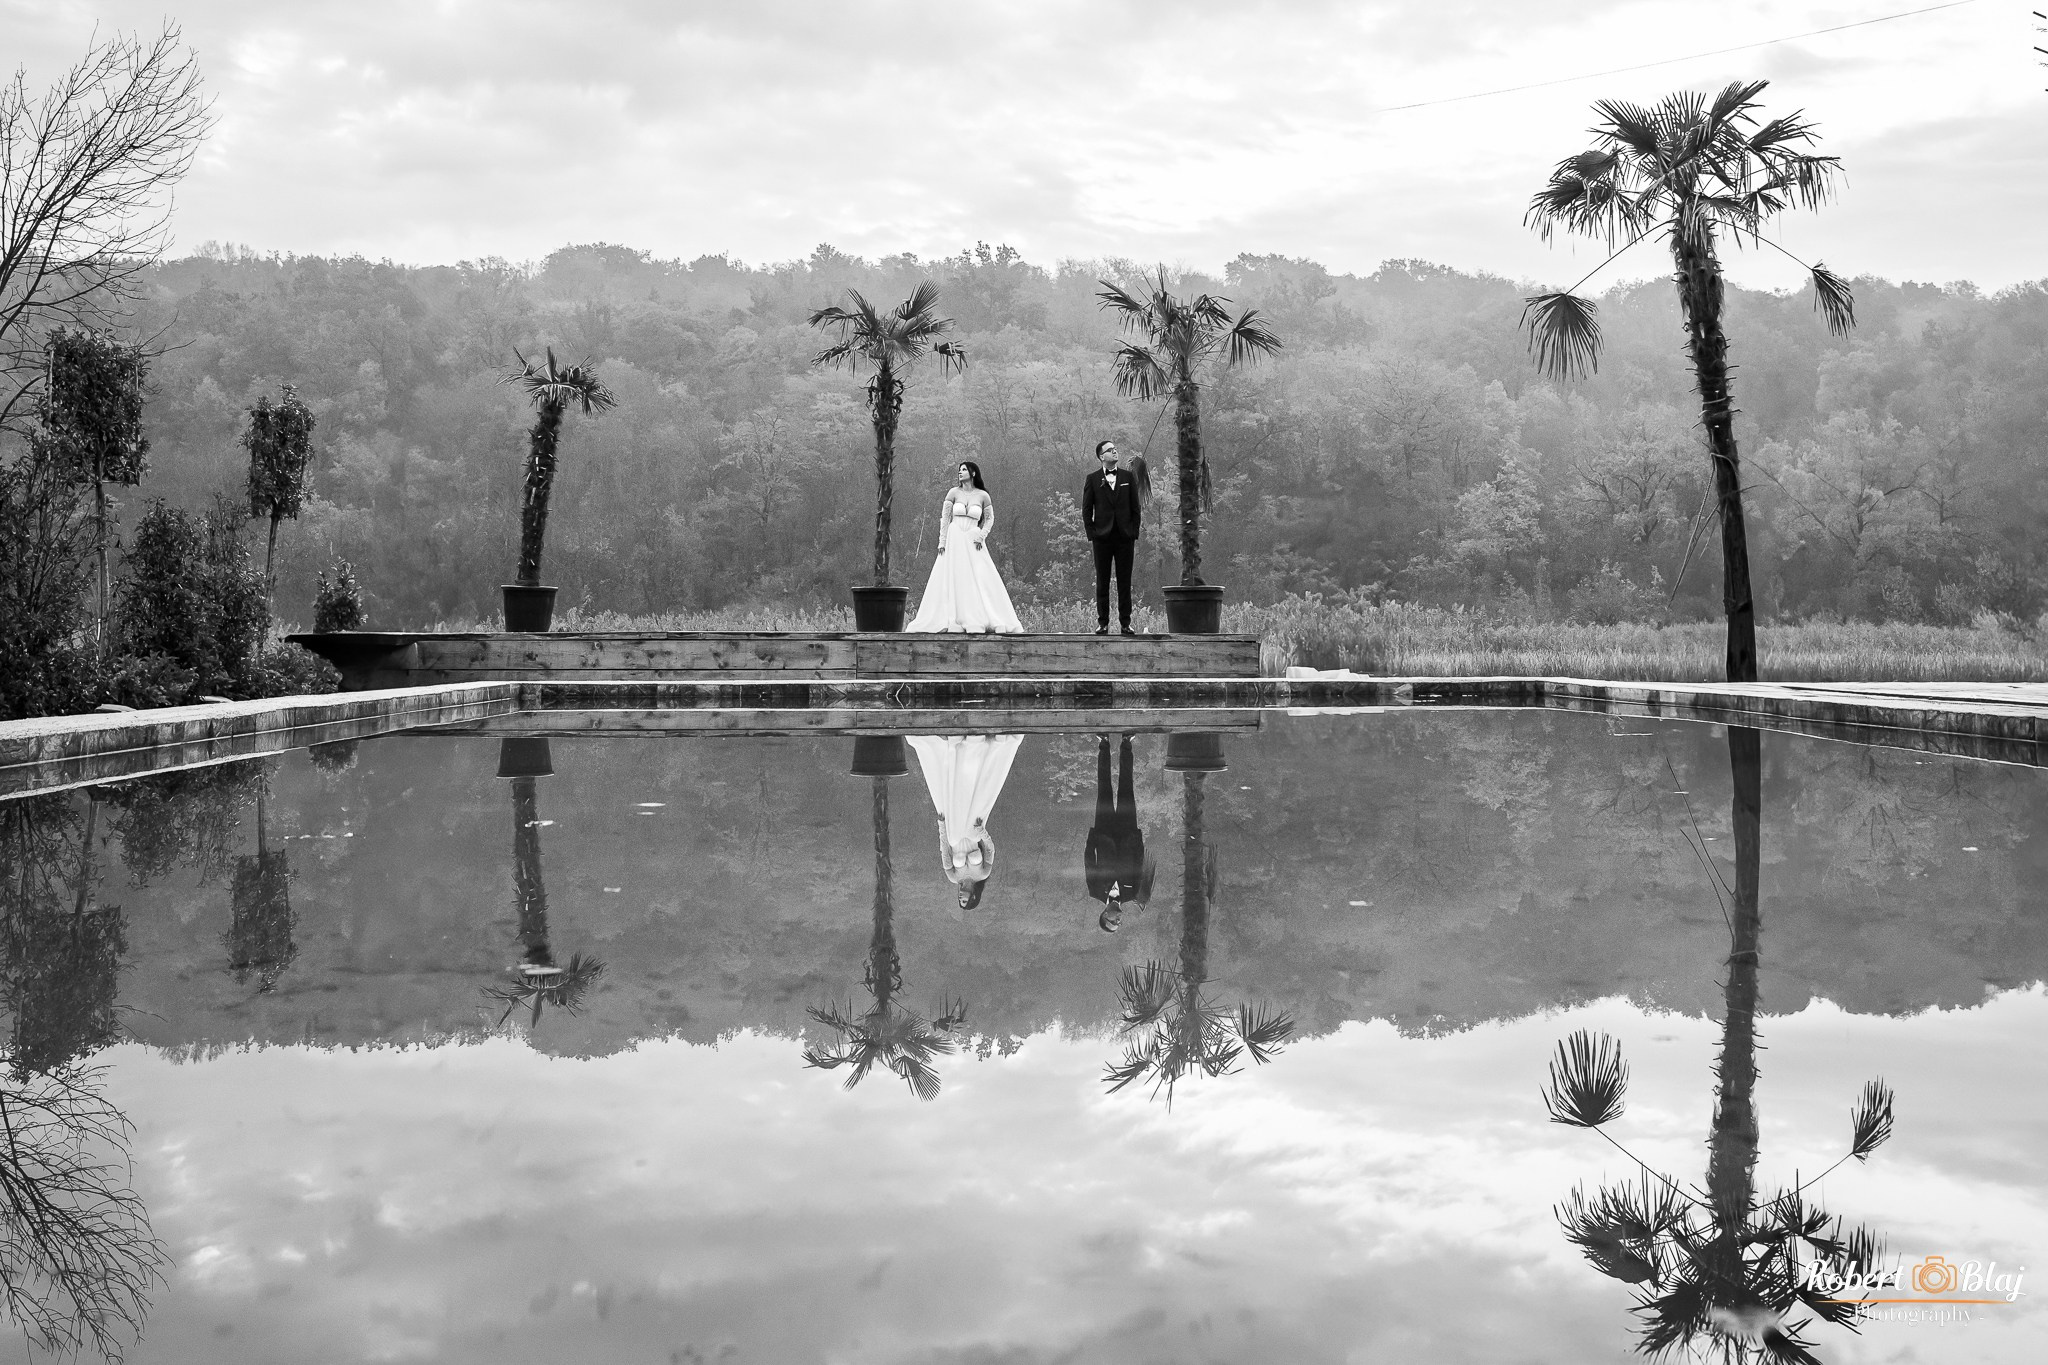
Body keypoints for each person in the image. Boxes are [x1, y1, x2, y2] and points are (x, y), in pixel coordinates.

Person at [906, 733, 1024, 909]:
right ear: (973, 896)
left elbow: (944, 848)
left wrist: (941, 825)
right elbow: (990, 849)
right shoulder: (983, 873)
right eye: (964, 900)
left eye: (959, 900)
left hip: (953, 831)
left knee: (955, 794)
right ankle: (976, 747)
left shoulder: (953, 877)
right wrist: (981, 832)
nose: (960, 897)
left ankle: (955, 748)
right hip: (972, 831)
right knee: (976, 790)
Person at [907, 460, 1024, 634]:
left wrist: (982, 535)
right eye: (959, 470)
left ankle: (982, 615)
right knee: (954, 574)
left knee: (981, 576)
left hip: (973, 538)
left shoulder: (983, 495)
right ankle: (952, 616)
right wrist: (942, 541)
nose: (960, 472)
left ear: (973, 473)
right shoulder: (953, 493)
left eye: (964, 470)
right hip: (954, 537)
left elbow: (990, 518)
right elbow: (945, 519)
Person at [1086, 733, 1155, 932]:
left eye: (1114, 922)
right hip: (1128, 834)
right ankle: (1126, 743)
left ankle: (1104, 743)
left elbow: (1089, 861)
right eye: (1119, 924)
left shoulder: (1095, 891)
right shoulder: (1132, 893)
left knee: (1104, 787)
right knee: (1127, 786)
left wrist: (1092, 838)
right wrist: (1137, 839)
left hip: (1104, 833)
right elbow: (1139, 864)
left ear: (1105, 915)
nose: (1119, 921)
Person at [1081, 439, 1146, 635]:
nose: (1114, 452)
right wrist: (1092, 533)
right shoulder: (1092, 479)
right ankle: (1103, 623)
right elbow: (1086, 509)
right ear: (1102, 456)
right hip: (1102, 538)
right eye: (1110, 450)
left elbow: (1136, 507)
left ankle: (1125, 623)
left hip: (1125, 537)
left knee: (1124, 581)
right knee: (1102, 580)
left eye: (1115, 449)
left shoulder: (1128, 477)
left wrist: (1134, 532)